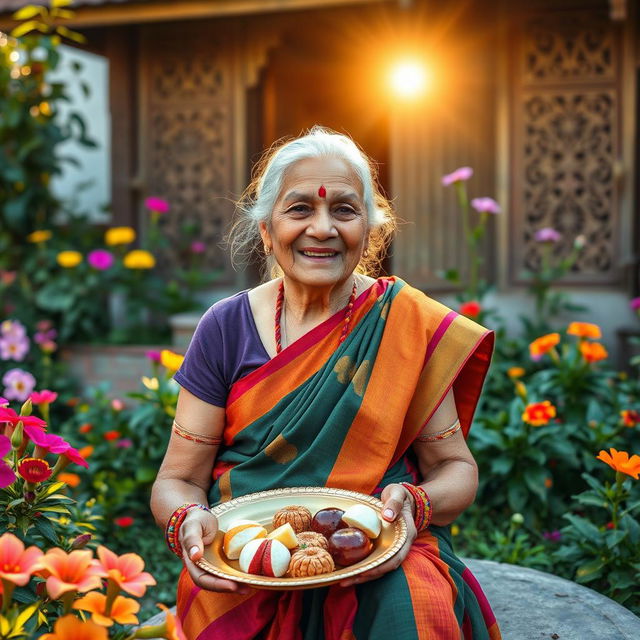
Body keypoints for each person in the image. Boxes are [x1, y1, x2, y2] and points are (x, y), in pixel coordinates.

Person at [151, 126, 501, 640]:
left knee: (414, 605)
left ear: (369, 228)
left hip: (377, 548)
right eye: (299, 210)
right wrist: (187, 520)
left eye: (343, 210)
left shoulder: (402, 324)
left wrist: (414, 504)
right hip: (248, 552)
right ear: (267, 230)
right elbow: (175, 480)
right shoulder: (225, 328)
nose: (323, 228)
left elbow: (454, 469)